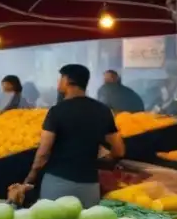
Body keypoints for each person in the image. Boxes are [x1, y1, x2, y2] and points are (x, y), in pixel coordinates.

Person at [9, 64, 125, 208]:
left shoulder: (57, 111)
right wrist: (105, 157)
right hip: (89, 186)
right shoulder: (103, 111)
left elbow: (43, 153)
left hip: (58, 183)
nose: (58, 82)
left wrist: (30, 179)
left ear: (67, 80)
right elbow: (119, 150)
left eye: (61, 78)